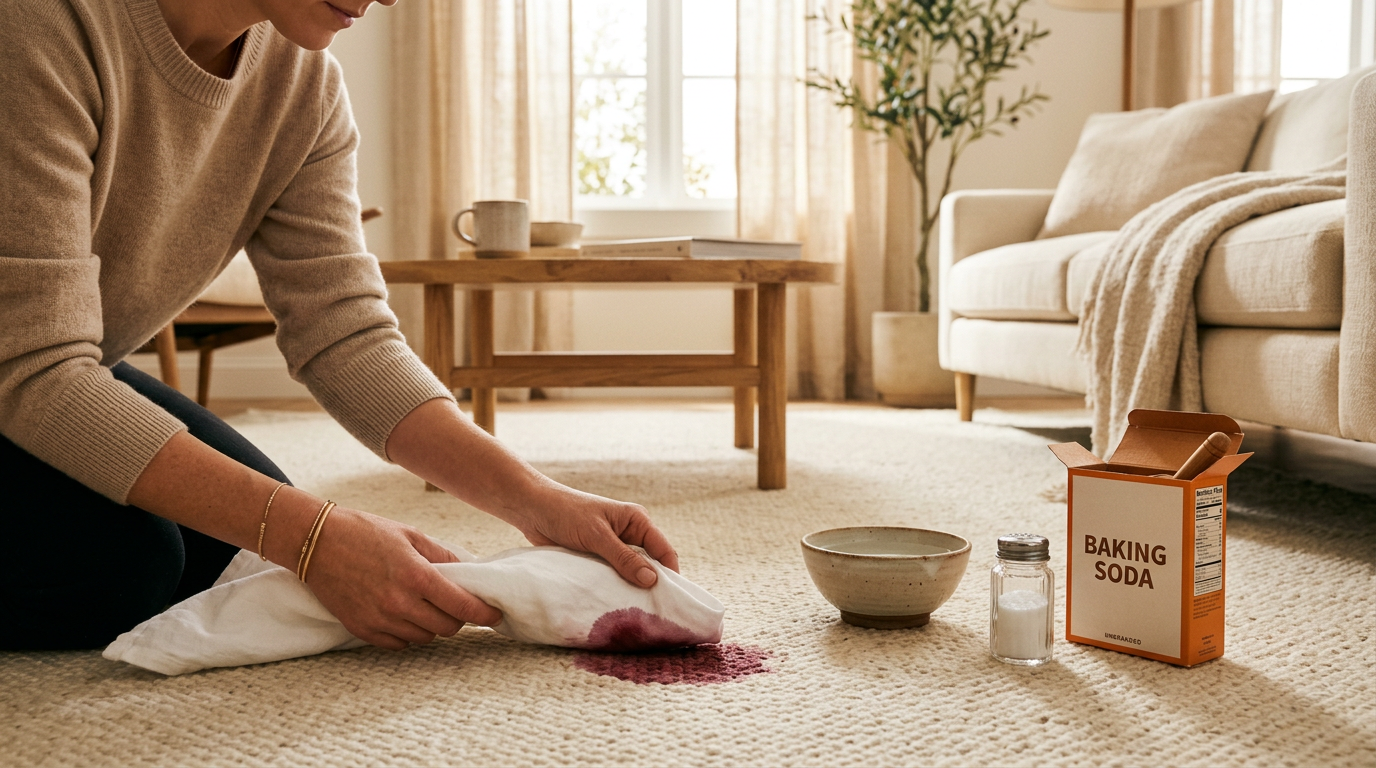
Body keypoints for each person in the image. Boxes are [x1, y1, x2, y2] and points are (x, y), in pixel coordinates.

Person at [0, 0, 678, 652]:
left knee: (239, 552)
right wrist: (314, 535)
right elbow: (34, 369)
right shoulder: (38, 27)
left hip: (53, 364)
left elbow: (344, 333)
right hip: (27, 368)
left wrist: (537, 500)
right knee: (128, 568)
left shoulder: (303, 85)